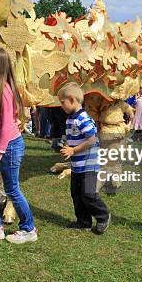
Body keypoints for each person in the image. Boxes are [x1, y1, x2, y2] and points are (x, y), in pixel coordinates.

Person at [0, 48, 37, 244]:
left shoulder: (3, 90)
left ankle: (29, 229)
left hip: (9, 146)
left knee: (12, 189)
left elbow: (7, 124)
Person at [57, 82, 111, 234]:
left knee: (88, 194)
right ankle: (84, 221)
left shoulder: (83, 118)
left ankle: (103, 216)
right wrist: (67, 145)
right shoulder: (70, 119)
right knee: (76, 193)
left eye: (63, 102)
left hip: (89, 164)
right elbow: (73, 137)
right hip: (77, 165)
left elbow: (91, 140)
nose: (61, 106)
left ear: (72, 100)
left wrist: (73, 150)